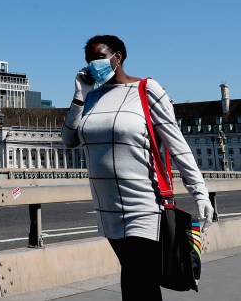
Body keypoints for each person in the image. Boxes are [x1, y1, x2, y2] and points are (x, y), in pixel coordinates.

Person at [61, 35, 213, 301]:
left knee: (137, 278)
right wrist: (78, 97)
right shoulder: (92, 97)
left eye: (99, 56)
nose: (94, 63)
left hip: (143, 205)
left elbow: (176, 144)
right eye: (89, 59)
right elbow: (69, 139)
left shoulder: (146, 89)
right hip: (106, 208)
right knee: (135, 279)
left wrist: (199, 191)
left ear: (117, 56)